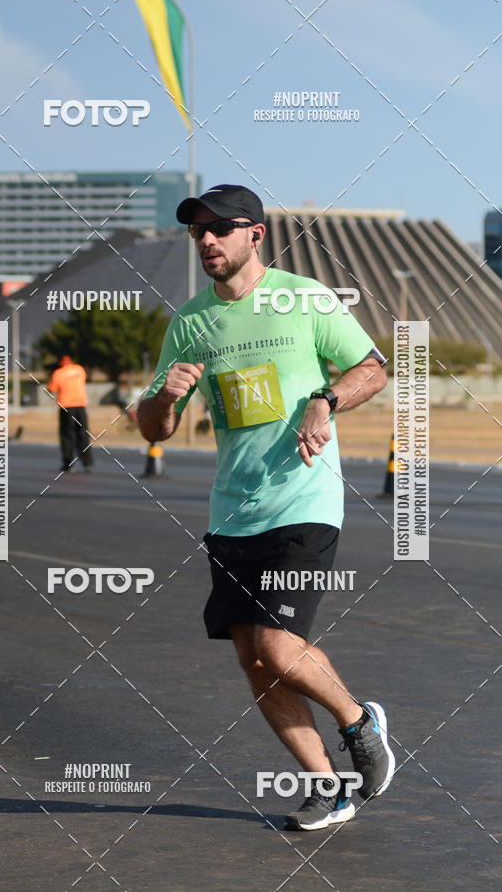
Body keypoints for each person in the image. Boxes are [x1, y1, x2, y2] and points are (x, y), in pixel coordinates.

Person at [138, 184, 394, 831]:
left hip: (303, 501)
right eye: (198, 231)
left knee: (280, 648)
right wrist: (165, 398)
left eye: (220, 228)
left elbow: (372, 366)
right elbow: (151, 429)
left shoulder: (302, 298)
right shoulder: (191, 322)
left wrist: (326, 401)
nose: (206, 241)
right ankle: (330, 789)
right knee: (254, 661)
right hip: (233, 514)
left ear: (256, 234)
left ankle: (360, 725)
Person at [47, 355, 93, 472]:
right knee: (83, 434)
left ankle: (68, 463)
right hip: (80, 406)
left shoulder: (58, 373)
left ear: (61, 362)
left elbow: (51, 389)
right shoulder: (79, 369)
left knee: (68, 435)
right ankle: (87, 463)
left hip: (66, 407)